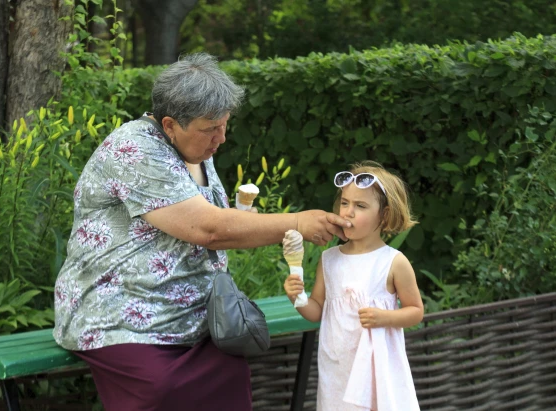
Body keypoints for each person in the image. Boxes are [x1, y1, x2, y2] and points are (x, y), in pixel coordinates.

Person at [52, 52, 350, 411]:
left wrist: (241, 218)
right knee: (163, 389)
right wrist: (298, 222)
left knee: (231, 372)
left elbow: (216, 221)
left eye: (224, 125)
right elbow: (206, 229)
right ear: (170, 124)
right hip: (121, 316)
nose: (221, 138)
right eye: (211, 128)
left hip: (192, 316)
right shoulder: (134, 149)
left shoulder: (194, 147)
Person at [284, 161, 423, 410]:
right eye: (345, 203)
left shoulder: (393, 262)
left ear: (385, 215)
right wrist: (298, 298)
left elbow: (415, 311)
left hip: (376, 369)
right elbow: (317, 310)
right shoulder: (330, 259)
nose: (347, 212)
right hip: (337, 368)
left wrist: (385, 317)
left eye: (360, 206)